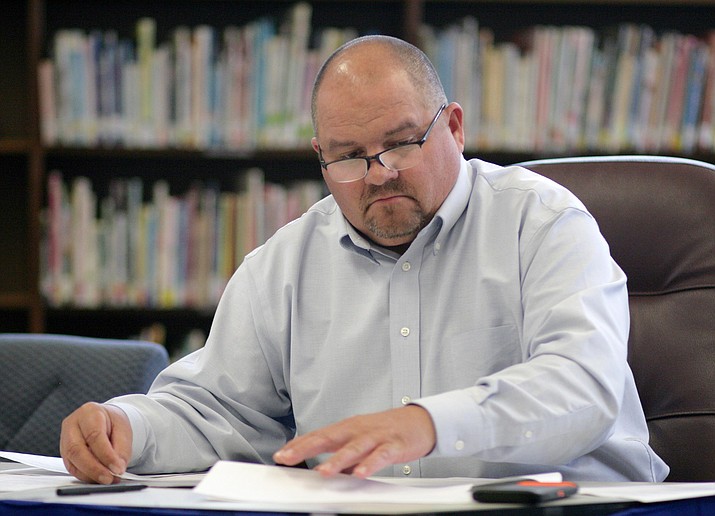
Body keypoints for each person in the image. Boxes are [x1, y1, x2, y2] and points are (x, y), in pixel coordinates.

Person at [60, 35, 669, 485]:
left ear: (454, 128)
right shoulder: (286, 263)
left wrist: (426, 424)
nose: (379, 175)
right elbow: (216, 411)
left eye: (402, 143)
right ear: (320, 158)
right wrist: (126, 429)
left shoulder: (542, 222)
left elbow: (581, 384)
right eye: (349, 157)